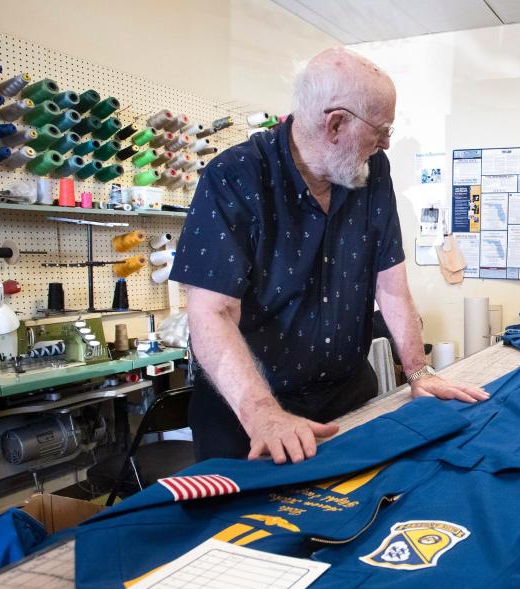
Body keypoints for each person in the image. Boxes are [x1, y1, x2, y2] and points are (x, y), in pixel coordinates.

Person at [171, 47, 487, 465]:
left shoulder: (373, 172)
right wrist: (263, 414)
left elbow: (390, 285)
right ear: (335, 123)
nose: (387, 142)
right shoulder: (235, 176)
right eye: (382, 129)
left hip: (347, 397)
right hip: (250, 414)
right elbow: (211, 313)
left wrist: (418, 370)